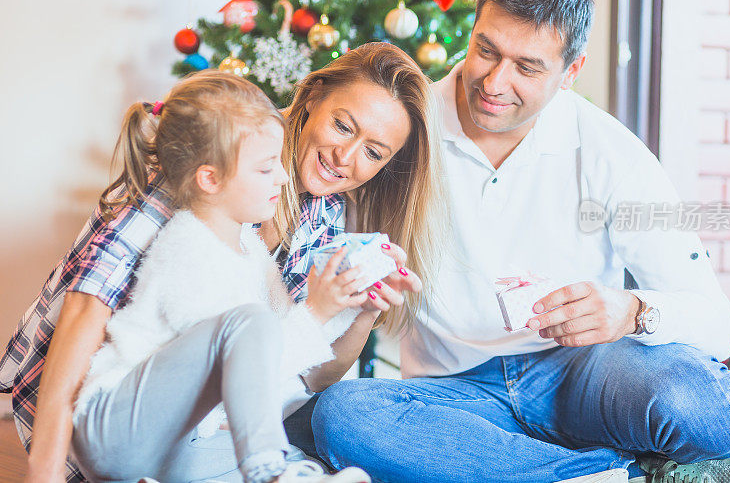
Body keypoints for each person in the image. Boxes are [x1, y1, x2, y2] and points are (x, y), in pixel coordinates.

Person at [311, 0, 730, 483]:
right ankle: (620, 474)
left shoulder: (612, 154)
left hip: (578, 374)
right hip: (455, 393)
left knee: (703, 407)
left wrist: (631, 310)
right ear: (475, 26)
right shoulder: (407, 127)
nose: (495, 83)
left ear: (570, 72)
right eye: (486, 50)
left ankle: (529, 468)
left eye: (527, 67)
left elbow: (716, 322)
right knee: (344, 416)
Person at [0, 42, 446, 482]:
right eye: (343, 126)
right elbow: (85, 305)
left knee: (306, 437)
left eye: (374, 152)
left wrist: (364, 308)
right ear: (313, 98)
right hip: (89, 418)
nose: (344, 158)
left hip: (186, 435)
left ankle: (280, 470)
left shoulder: (324, 213)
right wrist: (44, 471)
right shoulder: (211, 158)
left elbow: (309, 375)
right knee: (252, 337)